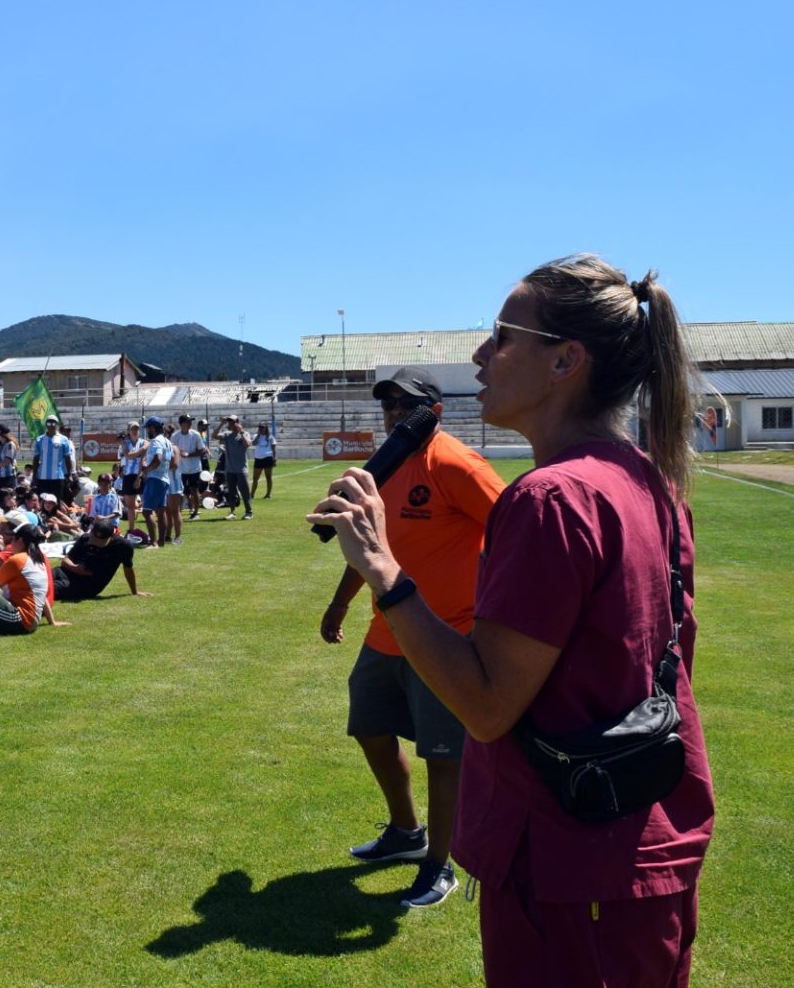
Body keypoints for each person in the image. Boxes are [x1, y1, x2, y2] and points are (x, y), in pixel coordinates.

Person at [307, 255, 714, 985]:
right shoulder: (651, 483)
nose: (479, 355)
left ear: (565, 360)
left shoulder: (551, 500)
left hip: (570, 865)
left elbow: (488, 707)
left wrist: (383, 570)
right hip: (641, 842)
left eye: (501, 336)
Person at [318, 366, 506, 908]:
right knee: (370, 729)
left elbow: (517, 529)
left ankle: (439, 865)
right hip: (388, 631)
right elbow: (369, 545)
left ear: (436, 411)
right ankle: (406, 832)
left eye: (407, 404)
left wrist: (493, 607)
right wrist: (340, 600)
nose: (395, 413)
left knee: (443, 755)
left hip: (448, 636)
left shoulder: (455, 463)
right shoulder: (381, 469)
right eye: (389, 405)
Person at [51, 518, 150, 601]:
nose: (96, 543)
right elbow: (65, 560)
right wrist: (75, 568)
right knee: (43, 576)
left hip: (85, 585)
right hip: (66, 572)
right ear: (92, 531)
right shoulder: (85, 538)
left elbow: (128, 568)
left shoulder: (123, 546)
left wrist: (135, 591)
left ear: (112, 535)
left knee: (49, 588)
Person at [137, 416, 173, 546]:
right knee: (161, 511)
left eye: (148, 428)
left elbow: (157, 459)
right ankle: (161, 541)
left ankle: (153, 543)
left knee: (147, 511)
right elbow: (171, 461)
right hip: (164, 478)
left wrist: (147, 470)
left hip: (155, 479)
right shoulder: (167, 441)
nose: (147, 431)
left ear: (152, 428)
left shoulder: (155, 442)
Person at [31, 418, 75, 503]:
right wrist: (34, 476)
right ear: (46, 425)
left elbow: (67, 458)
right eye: (49, 423)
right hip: (42, 477)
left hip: (58, 476)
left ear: (57, 425)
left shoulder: (63, 439)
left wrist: (69, 474)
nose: (51, 425)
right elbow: (36, 459)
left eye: (53, 423)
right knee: (43, 501)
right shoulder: (40, 439)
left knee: (56, 502)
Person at [217, 415, 252, 520]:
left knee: (245, 492)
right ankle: (232, 512)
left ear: (237, 422)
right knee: (231, 493)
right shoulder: (227, 435)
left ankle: (249, 512)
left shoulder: (244, 434)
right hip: (230, 469)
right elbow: (214, 436)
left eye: (232, 422)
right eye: (229, 422)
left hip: (241, 469)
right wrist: (221, 424)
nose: (231, 424)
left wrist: (241, 432)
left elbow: (248, 444)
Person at [171, 414, 205, 520]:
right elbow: (172, 449)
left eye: (190, 421)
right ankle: (178, 512)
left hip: (194, 468)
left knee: (194, 490)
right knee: (181, 492)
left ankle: (195, 512)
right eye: (188, 421)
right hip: (180, 469)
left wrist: (189, 455)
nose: (190, 423)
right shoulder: (175, 436)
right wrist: (180, 453)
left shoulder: (196, 435)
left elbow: (202, 450)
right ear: (181, 424)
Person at [251, 422, 278, 500]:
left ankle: (268, 494)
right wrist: (258, 435)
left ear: (266, 428)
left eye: (262, 427)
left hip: (267, 458)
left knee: (268, 477)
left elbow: (274, 448)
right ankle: (252, 494)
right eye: (259, 427)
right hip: (258, 458)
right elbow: (253, 443)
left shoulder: (270, 437)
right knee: (255, 478)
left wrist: (274, 459)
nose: (261, 429)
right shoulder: (256, 436)